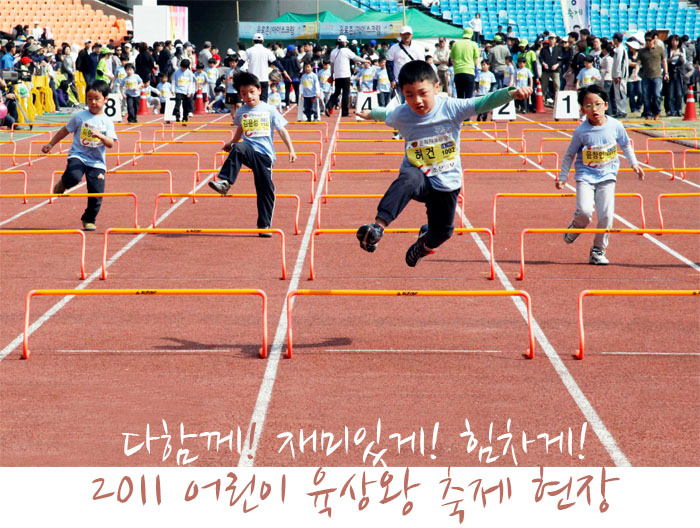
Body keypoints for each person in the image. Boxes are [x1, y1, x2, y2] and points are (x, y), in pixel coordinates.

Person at [354, 60, 532, 267]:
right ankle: (378, 227)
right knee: (409, 177)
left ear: (437, 87)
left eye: (423, 93)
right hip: (419, 176)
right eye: (409, 95)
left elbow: (484, 102)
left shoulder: (451, 107)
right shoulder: (402, 114)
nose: (417, 101)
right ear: (402, 93)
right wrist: (370, 114)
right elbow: (386, 114)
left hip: (447, 181)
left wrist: (511, 93)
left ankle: (423, 244)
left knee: (444, 232)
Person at [556, 85, 644, 265]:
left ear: (605, 105)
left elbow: (626, 145)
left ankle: (597, 251)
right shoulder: (581, 132)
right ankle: (576, 226)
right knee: (585, 212)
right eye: (588, 106)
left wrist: (634, 163)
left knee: (606, 215)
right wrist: (562, 177)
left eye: (597, 104)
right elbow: (569, 154)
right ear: (582, 110)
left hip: (607, 176)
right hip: (585, 177)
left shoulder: (616, 125)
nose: (594, 109)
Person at [207, 72, 297, 234]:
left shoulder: (269, 110)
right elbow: (241, 129)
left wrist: (291, 150)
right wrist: (232, 143)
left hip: (264, 156)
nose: (248, 96)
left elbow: (282, 130)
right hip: (248, 150)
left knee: (265, 189)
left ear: (259, 90)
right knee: (239, 147)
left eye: (251, 92)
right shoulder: (241, 111)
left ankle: (264, 225)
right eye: (243, 94)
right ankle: (225, 181)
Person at [41, 80, 117, 231]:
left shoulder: (107, 122)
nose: (93, 102)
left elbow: (111, 144)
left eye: (97, 99)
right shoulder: (80, 117)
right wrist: (51, 144)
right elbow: (65, 130)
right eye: (89, 99)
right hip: (78, 155)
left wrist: (101, 137)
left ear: (106, 99)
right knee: (74, 176)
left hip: (97, 162)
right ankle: (64, 183)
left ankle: (89, 219)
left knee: (96, 193)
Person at [325, 35, 364, 117]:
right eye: (346, 42)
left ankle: (329, 106)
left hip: (337, 75)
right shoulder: (346, 50)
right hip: (345, 75)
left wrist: (332, 75)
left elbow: (332, 65)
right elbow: (355, 57)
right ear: (343, 42)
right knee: (345, 94)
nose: (346, 43)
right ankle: (344, 112)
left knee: (337, 92)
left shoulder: (333, 52)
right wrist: (365, 60)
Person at [245, 33, 290, 101]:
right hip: (263, 79)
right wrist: (284, 72)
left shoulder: (249, 50)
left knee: (253, 99)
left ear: (253, 41)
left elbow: (241, 62)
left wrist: (235, 71)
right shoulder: (267, 51)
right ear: (263, 41)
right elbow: (276, 62)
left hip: (252, 80)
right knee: (263, 100)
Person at [638, 31, 668, 120]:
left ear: (653, 40)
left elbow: (664, 61)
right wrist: (636, 72)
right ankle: (648, 113)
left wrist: (666, 73)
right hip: (646, 76)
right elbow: (638, 63)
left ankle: (656, 112)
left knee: (656, 95)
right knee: (646, 96)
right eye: (646, 40)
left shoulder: (659, 49)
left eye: (649, 40)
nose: (647, 42)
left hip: (657, 76)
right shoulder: (642, 51)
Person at [450, 27, 479, 99]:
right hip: (469, 72)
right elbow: (476, 60)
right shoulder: (474, 44)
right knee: (468, 97)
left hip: (458, 72)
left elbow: (452, 59)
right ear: (471, 35)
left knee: (460, 97)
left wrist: (456, 67)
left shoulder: (455, 44)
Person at [611, 32, 629, 118]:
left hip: (620, 76)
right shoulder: (618, 49)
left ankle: (622, 111)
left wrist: (618, 75)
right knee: (618, 93)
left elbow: (620, 63)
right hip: (618, 75)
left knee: (621, 93)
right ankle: (620, 110)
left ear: (616, 39)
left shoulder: (620, 50)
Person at [172, 58, 195, 124]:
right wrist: (173, 90)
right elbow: (173, 81)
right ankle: (177, 112)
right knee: (178, 102)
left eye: (185, 68)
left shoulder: (189, 73)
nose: (183, 69)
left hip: (186, 91)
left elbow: (191, 83)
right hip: (178, 90)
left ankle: (184, 119)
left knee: (185, 106)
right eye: (182, 67)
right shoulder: (176, 72)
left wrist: (189, 92)